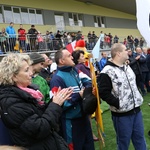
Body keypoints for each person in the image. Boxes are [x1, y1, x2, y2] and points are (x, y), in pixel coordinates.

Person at [0, 53, 73, 150]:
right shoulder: (11, 101)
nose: (31, 73)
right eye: (26, 70)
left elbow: (39, 115)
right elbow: (39, 128)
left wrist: (56, 101)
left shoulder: (25, 93)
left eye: (29, 69)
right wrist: (55, 105)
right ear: (14, 76)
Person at [97, 43, 147, 150]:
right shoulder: (106, 71)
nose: (128, 51)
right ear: (118, 53)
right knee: (123, 143)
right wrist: (118, 103)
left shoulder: (127, 66)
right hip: (122, 115)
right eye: (125, 50)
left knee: (140, 139)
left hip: (136, 111)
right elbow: (103, 92)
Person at [50, 49, 95, 150]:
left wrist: (87, 89)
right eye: (69, 56)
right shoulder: (56, 79)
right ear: (62, 61)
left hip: (84, 118)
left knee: (89, 146)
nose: (72, 57)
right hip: (71, 122)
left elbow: (87, 80)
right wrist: (79, 95)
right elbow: (59, 104)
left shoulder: (74, 69)